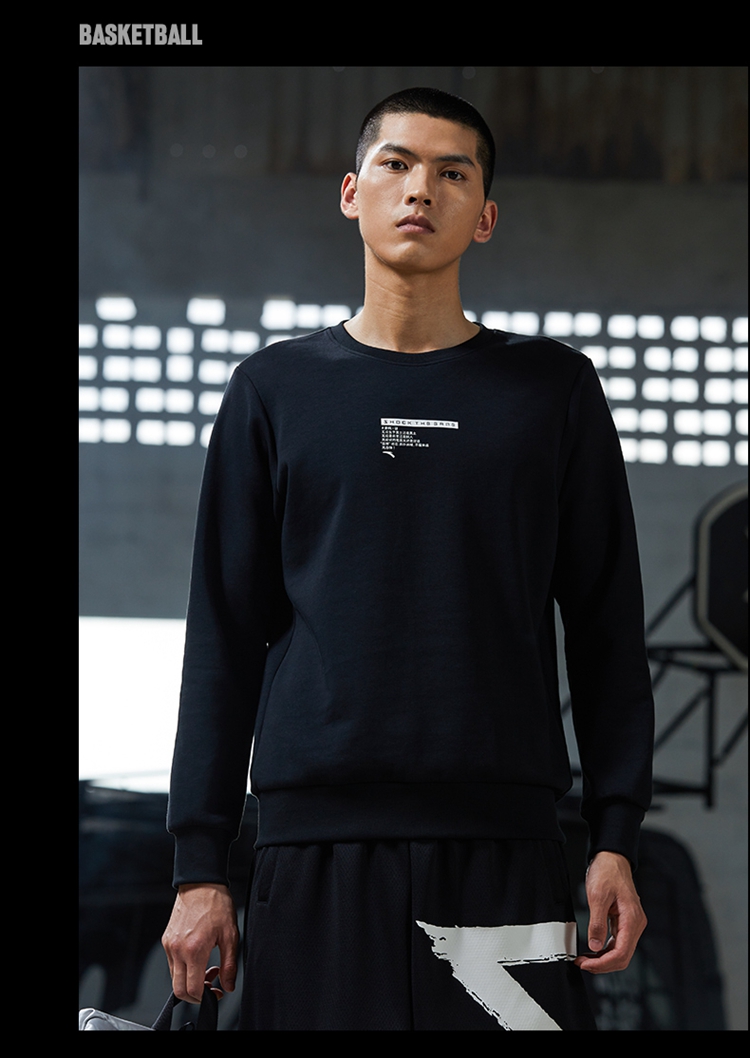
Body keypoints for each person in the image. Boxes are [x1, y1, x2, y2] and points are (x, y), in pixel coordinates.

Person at [162, 86, 653, 1031]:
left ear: (485, 216)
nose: (420, 188)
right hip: (314, 851)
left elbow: (606, 631)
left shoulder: (553, 391)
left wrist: (617, 835)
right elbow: (221, 639)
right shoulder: (273, 391)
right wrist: (198, 867)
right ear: (353, 193)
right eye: (396, 164)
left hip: (506, 848)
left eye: (452, 173)